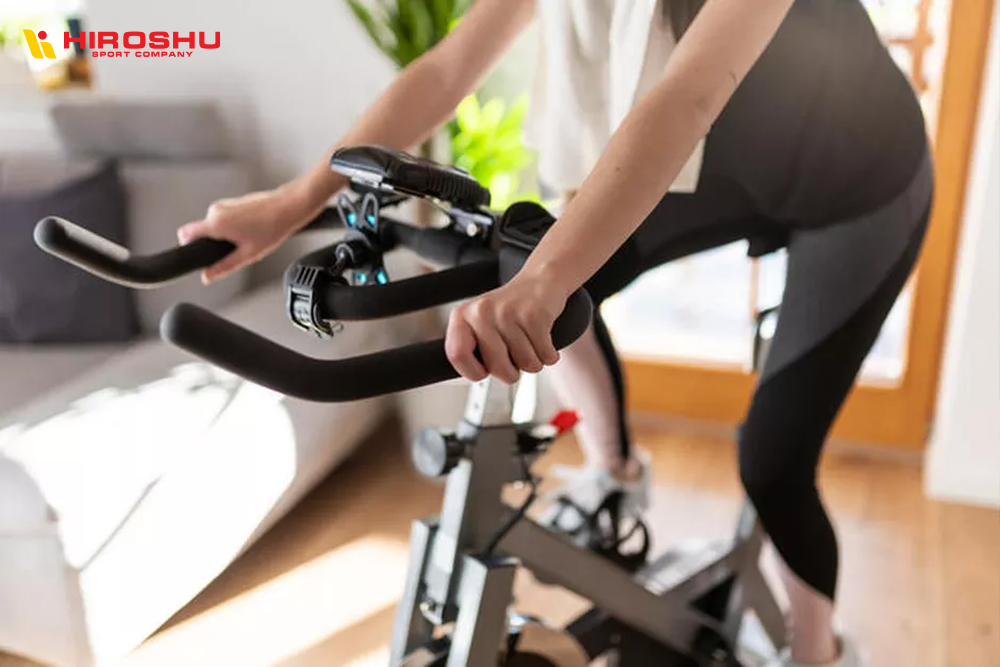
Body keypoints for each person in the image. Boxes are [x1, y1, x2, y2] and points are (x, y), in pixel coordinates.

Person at [178, 1, 932, 664]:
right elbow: (446, 69)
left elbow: (690, 93)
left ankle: (818, 651)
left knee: (773, 461)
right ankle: (614, 479)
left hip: (858, 184)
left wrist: (546, 281)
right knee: (535, 258)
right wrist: (294, 202)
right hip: (723, 164)